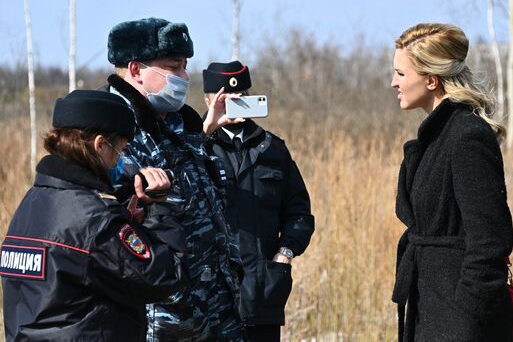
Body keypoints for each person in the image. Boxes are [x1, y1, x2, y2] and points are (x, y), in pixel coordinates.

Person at [0, 90, 188, 341]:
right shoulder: (94, 219)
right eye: (120, 150)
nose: (120, 161)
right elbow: (165, 277)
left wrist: (126, 223)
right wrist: (159, 209)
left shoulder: (32, 202)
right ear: (100, 145)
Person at [103, 17, 244, 341]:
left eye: (185, 67)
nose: (185, 77)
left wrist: (204, 132)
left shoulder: (182, 124)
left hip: (215, 308)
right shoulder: (109, 131)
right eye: (173, 67)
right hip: (161, 319)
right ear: (136, 70)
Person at [390, 23, 513, 342]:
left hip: (459, 322)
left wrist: (466, 320)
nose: (393, 83)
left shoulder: (467, 137)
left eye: (401, 74)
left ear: (431, 79)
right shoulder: (437, 138)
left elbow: (489, 241)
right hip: (432, 309)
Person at [202, 61, 315, 342]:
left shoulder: (273, 149)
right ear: (208, 100)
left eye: (242, 97)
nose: (236, 103)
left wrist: (285, 252)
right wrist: (206, 129)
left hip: (262, 288)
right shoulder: (195, 147)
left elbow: (299, 210)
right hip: (208, 292)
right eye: (227, 99)